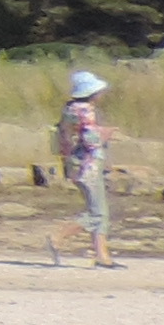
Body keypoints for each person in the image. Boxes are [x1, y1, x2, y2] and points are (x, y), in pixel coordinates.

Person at [43, 68, 119, 269]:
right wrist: (106, 134)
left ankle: (102, 255)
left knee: (99, 209)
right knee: (97, 213)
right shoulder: (85, 110)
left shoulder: (69, 109)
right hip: (89, 164)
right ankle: (59, 236)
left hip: (75, 164)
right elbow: (91, 140)